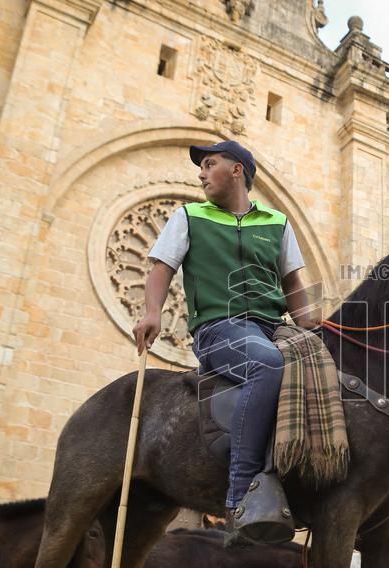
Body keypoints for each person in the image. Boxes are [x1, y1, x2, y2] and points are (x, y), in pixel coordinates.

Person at [133, 140, 317, 546]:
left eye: (209, 164)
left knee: (330, 369)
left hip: (274, 326)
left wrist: (313, 328)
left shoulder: (277, 222)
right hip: (219, 328)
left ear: (237, 171)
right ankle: (241, 493)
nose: (201, 172)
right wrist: (152, 312)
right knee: (267, 364)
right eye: (201, 166)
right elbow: (161, 269)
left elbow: (293, 286)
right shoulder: (188, 216)